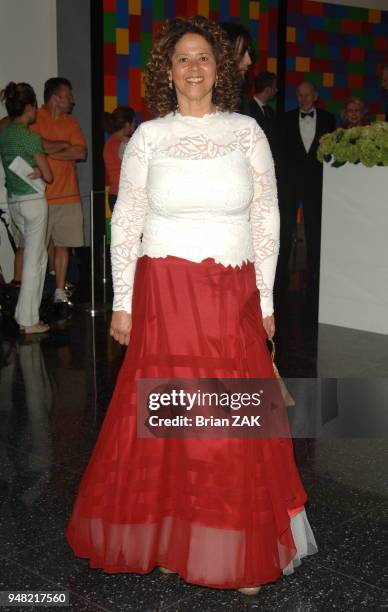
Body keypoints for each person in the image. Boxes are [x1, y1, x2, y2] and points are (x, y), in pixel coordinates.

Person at [66, 16, 317, 595]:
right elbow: (125, 220)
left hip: (231, 293)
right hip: (165, 294)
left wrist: (266, 296)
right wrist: (123, 301)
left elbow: (266, 217)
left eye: (204, 56)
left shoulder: (247, 133)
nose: (194, 67)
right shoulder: (148, 138)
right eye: (183, 58)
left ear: (219, 67)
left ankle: (235, 547)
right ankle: (169, 537)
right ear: (167, 71)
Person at [30, 77, 87, 321]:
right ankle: (33, 296)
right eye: (68, 95)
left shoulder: (71, 122)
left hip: (68, 195)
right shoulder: (34, 118)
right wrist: (62, 146)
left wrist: (48, 148)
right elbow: (32, 147)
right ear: (55, 97)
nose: (72, 100)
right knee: (37, 250)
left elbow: (81, 151)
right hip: (38, 198)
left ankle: (59, 292)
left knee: (63, 246)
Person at [0, 82, 52, 334]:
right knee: (34, 259)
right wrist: (40, 169)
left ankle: (25, 313)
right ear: (29, 107)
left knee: (38, 256)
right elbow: (49, 176)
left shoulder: (5, 134)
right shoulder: (30, 137)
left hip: (14, 202)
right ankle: (28, 320)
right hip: (33, 202)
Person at [276, 81, 336, 298]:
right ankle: (279, 274)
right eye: (300, 95)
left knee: (315, 229)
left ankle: (316, 275)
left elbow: (330, 155)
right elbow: (279, 153)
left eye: (307, 95)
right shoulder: (284, 119)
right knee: (284, 228)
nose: (303, 99)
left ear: (315, 96)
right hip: (290, 185)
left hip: (316, 184)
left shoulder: (329, 119)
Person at [242, 71, 279, 168]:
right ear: (267, 89)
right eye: (274, 87)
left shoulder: (271, 111)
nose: (276, 90)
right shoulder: (246, 108)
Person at [103, 106, 135, 212]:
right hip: (126, 197)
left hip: (114, 195)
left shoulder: (108, 143)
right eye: (134, 122)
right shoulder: (125, 143)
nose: (135, 125)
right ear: (127, 124)